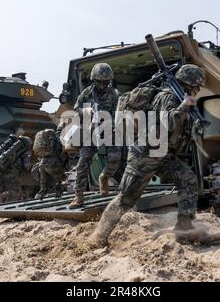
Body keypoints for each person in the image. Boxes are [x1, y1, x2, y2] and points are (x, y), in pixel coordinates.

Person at [88, 64, 207, 246]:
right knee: (126, 199)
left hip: (163, 154)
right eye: (197, 86)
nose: (198, 90)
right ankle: (98, 237)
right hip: (144, 154)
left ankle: (184, 226)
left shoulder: (178, 97)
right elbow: (166, 122)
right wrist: (185, 106)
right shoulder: (168, 97)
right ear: (191, 84)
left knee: (187, 179)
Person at [69, 63, 122, 209]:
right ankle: (78, 196)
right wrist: (85, 113)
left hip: (110, 130)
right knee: (82, 163)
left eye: (106, 81)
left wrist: (113, 122)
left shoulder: (114, 94)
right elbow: (77, 108)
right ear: (94, 80)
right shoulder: (87, 93)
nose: (103, 84)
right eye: (100, 81)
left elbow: (120, 111)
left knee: (115, 159)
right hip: (91, 131)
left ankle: (104, 177)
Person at [32, 128, 67, 200]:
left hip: (42, 163)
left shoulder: (44, 139)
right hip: (53, 162)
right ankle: (58, 193)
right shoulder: (57, 139)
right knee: (58, 179)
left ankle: (42, 193)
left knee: (43, 180)